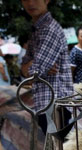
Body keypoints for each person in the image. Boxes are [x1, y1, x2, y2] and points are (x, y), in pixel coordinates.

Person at [20, 0, 73, 134]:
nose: (31, 3)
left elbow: (32, 74)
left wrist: (32, 67)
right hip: (46, 103)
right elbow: (24, 69)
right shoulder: (38, 29)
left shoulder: (49, 29)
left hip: (55, 104)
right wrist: (33, 66)